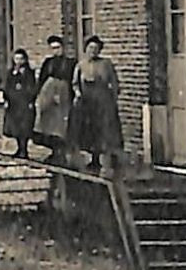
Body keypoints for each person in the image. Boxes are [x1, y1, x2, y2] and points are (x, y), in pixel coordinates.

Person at [70, 35, 123, 176]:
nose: (93, 51)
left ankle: (109, 158)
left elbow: (114, 82)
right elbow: (75, 83)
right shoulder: (81, 65)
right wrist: (77, 93)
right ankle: (94, 159)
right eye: (90, 48)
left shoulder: (106, 63)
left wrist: (113, 97)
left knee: (105, 130)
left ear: (100, 50)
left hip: (103, 101)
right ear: (86, 49)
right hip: (87, 101)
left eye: (96, 48)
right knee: (90, 129)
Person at [34, 35, 77, 165]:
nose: (56, 51)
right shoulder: (48, 63)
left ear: (63, 48)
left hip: (64, 97)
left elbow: (72, 81)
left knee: (61, 126)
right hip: (48, 96)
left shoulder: (70, 63)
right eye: (53, 48)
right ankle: (53, 151)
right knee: (46, 124)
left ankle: (61, 153)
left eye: (58, 48)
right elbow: (42, 79)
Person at [2, 48, 38, 159]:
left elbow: (32, 88)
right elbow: (7, 87)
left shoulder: (29, 73)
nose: (18, 61)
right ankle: (19, 148)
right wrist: (6, 99)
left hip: (24, 104)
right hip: (14, 104)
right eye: (16, 59)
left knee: (24, 127)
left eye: (21, 59)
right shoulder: (11, 73)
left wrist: (31, 100)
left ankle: (24, 149)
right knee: (15, 127)